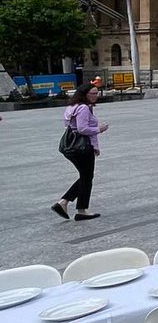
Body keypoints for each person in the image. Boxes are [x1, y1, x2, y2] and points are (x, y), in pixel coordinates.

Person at [52, 82, 108, 220]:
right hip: (82, 147)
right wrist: (99, 129)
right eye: (93, 93)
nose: (96, 96)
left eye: (97, 93)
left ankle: (66, 204)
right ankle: (78, 209)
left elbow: (68, 124)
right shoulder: (83, 108)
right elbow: (83, 129)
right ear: (84, 94)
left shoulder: (73, 106)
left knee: (86, 177)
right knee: (87, 177)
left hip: (71, 146)